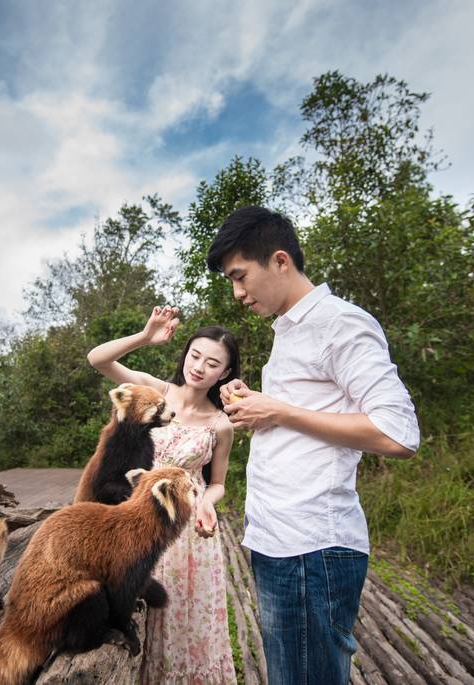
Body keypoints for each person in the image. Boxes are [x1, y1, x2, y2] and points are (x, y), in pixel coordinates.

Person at [207, 206, 420, 685]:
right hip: (278, 541)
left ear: (280, 261)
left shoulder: (339, 323)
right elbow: (300, 422)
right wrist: (256, 408)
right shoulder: (290, 330)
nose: (237, 293)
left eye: (240, 277)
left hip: (312, 549)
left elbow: (399, 433)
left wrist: (279, 411)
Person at [87, 306, 239, 685]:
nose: (200, 367)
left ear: (225, 373)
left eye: (213, 363)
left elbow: (217, 481)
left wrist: (206, 501)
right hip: (136, 520)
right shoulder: (156, 391)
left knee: (184, 616)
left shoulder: (222, 425)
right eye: (195, 355)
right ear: (185, 354)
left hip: (186, 531)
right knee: (132, 604)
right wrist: (144, 335)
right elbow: (97, 359)